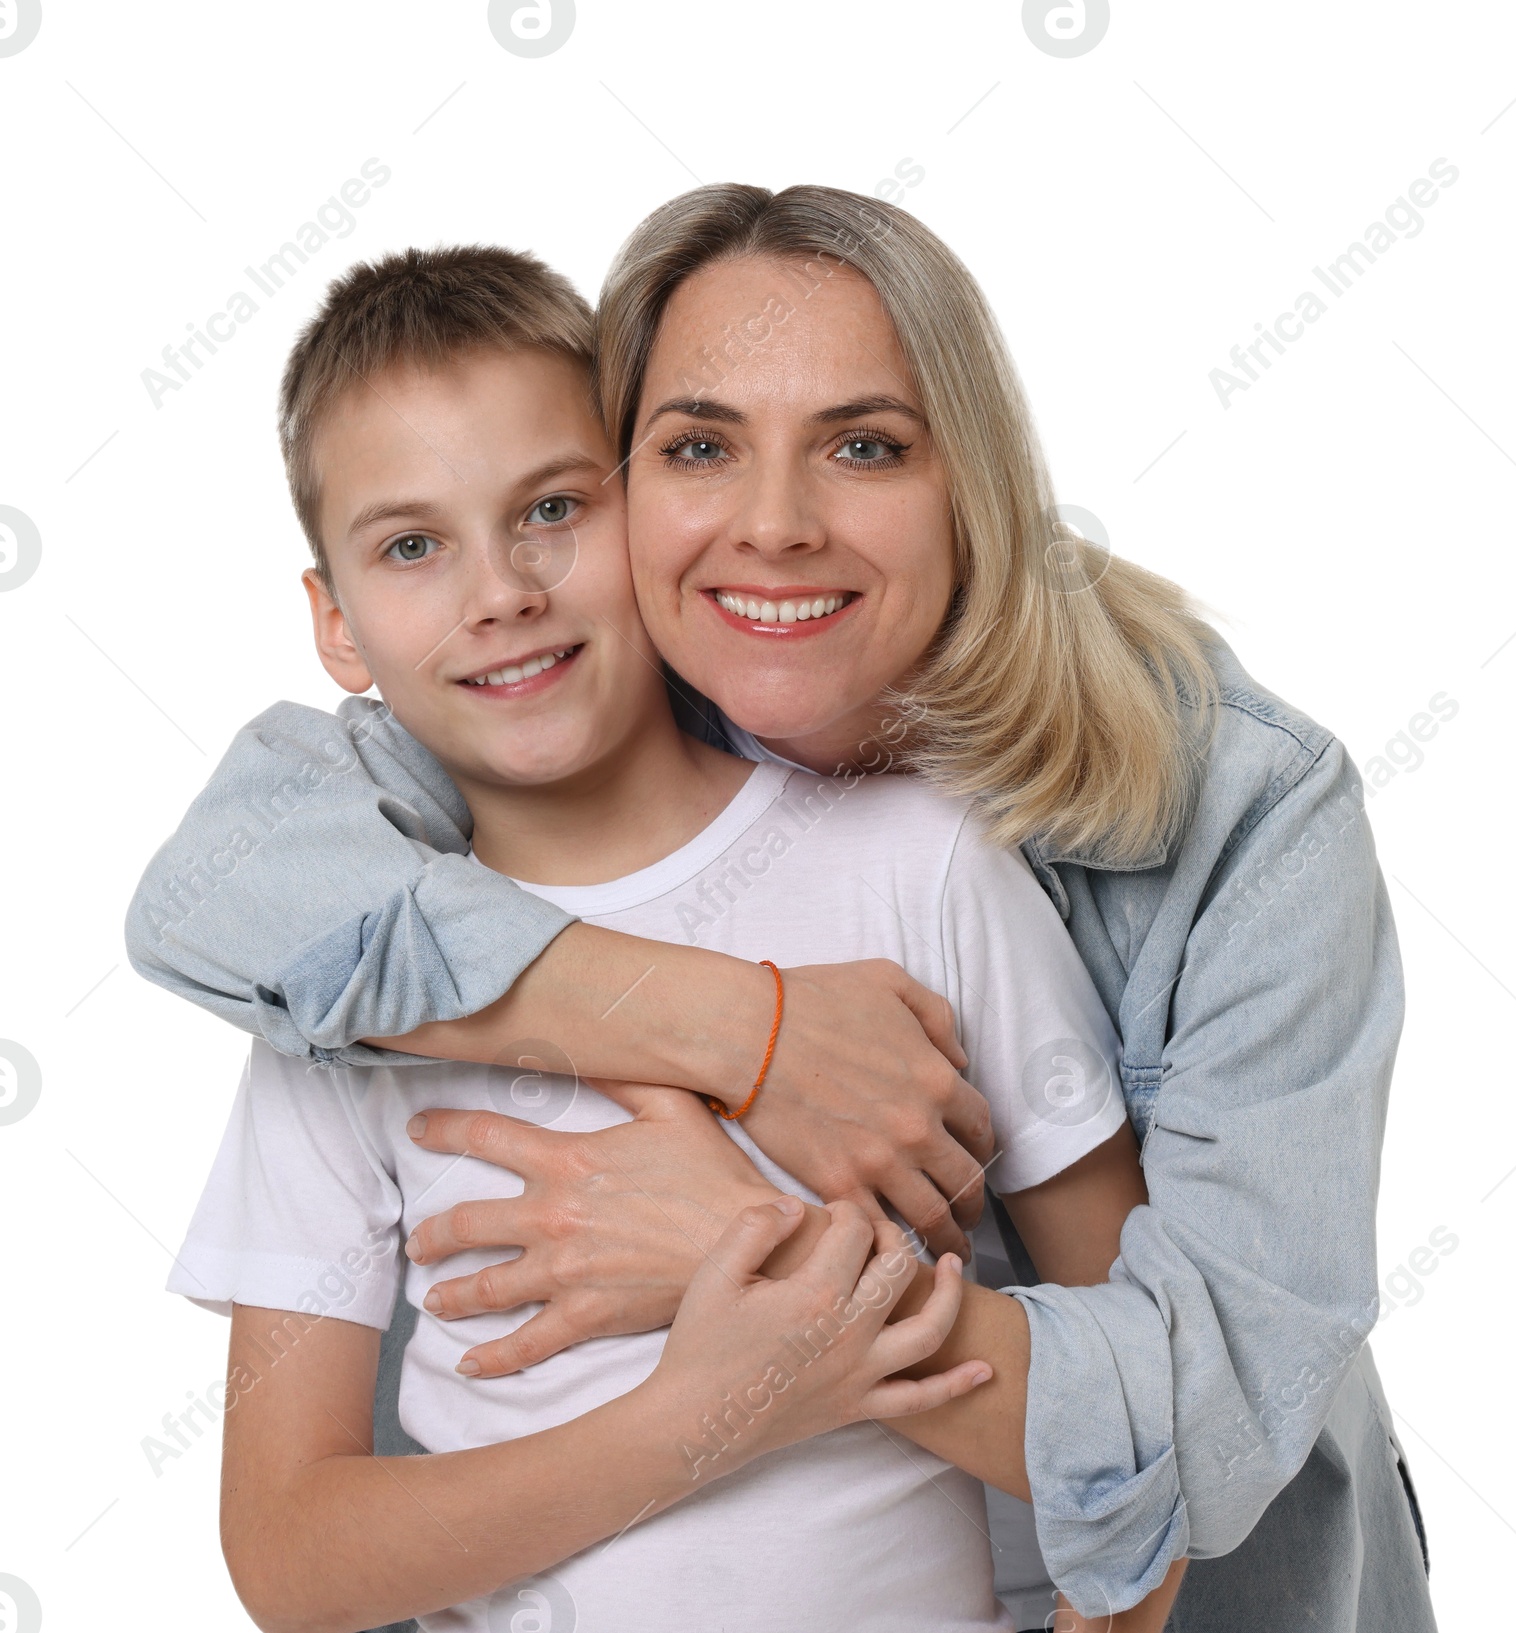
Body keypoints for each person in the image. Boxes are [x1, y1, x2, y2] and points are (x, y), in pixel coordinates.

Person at [130, 185, 1434, 1630]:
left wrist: (744, 1249)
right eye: (699, 446)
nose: (773, 528)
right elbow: (221, 890)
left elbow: (1191, 1438)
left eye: (863, 446)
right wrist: (750, 1034)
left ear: (974, 487)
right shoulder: (547, 710)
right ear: (639, 486)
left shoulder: (1217, 817)